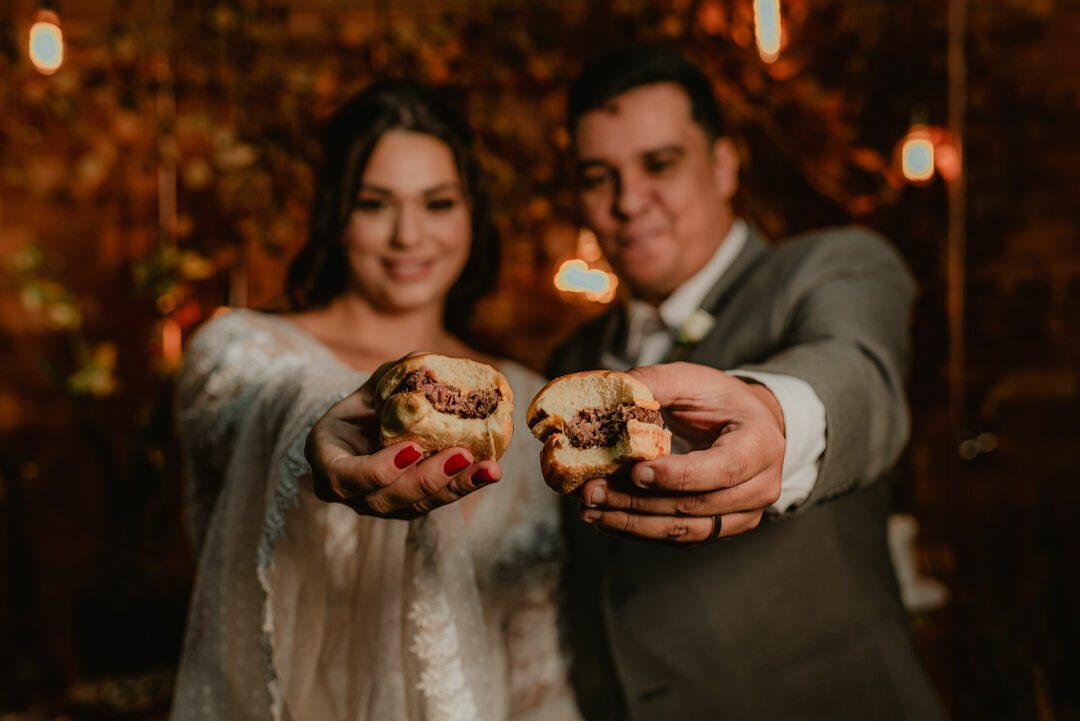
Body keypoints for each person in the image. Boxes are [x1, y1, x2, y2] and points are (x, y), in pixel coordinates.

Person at [547, 46, 947, 719]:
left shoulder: (832, 265)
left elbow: (859, 374)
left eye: (660, 164)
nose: (627, 201)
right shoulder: (570, 358)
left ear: (724, 164)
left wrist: (775, 417)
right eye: (598, 176)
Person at [172, 79, 581, 721]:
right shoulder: (239, 351)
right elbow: (269, 400)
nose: (408, 235)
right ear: (336, 213)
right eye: (375, 203)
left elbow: (536, 656)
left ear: (471, 212)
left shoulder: (528, 400)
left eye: (438, 203)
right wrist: (328, 419)